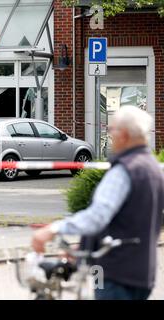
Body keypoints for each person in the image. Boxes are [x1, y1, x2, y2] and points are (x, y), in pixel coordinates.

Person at [32, 106, 164, 300]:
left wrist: (52, 230)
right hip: (142, 273)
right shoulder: (154, 169)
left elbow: (98, 216)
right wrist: (86, 246)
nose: (110, 136)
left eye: (112, 130)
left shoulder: (123, 171)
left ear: (124, 135)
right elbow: (135, 220)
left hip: (114, 272)